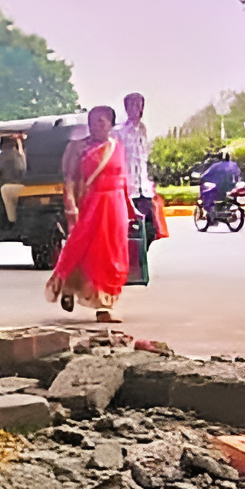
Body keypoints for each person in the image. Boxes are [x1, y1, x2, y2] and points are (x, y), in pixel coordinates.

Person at [45, 105, 133, 321]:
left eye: (104, 119)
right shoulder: (78, 148)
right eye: (94, 119)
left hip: (116, 207)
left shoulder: (117, 146)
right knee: (89, 252)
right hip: (91, 205)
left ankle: (100, 302)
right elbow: (70, 179)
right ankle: (89, 299)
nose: (99, 123)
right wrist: (71, 206)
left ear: (111, 124)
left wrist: (131, 207)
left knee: (113, 254)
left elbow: (123, 180)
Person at [118, 92, 167, 242]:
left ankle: (139, 260)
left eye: (139, 105)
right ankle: (133, 262)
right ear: (126, 108)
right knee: (131, 231)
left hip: (144, 190)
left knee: (150, 230)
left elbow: (145, 160)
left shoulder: (144, 131)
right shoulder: (119, 132)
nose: (136, 108)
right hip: (129, 190)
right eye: (132, 105)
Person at [0, 134, 29, 224]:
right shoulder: (20, 155)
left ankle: (11, 221)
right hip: (24, 185)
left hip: (13, 186)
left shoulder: (3, 157)